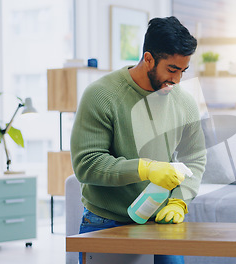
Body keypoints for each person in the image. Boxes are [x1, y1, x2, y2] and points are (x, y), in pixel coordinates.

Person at [70, 16, 206, 264]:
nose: (177, 80)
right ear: (148, 59)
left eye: (183, 71)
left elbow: (195, 158)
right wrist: (145, 168)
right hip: (106, 221)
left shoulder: (184, 103)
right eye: (172, 70)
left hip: (160, 223)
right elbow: (86, 165)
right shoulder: (101, 95)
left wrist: (178, 200)